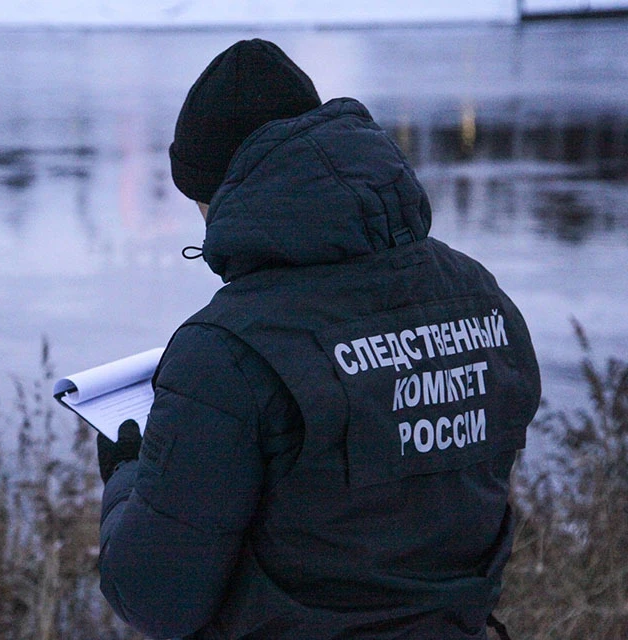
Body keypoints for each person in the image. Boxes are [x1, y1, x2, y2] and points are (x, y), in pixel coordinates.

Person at [96, 38, 541, 640]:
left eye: (200, 198)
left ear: (228, 188)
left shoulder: (225, 350)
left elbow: (155, 597)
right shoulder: (480, 298)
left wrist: (127, 479)